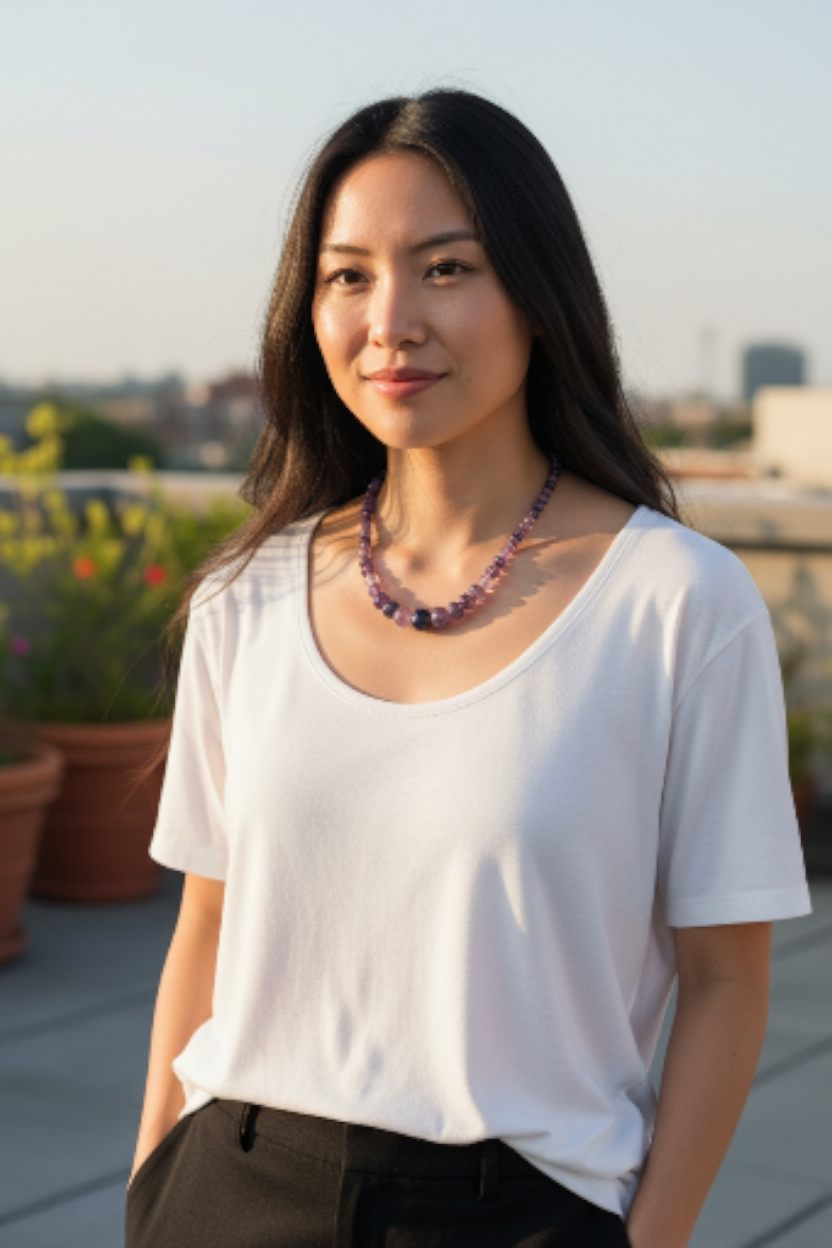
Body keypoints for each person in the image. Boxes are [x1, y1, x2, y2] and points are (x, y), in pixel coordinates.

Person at [126, 89, 811, 1248]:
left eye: (446, 268)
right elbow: (207, 922)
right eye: (347, 276)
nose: (389, 320)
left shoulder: (679, 606)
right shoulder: (245, 597)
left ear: (540, 296)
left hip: (521, 1210)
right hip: (229, 1191)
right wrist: (153, 1179)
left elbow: (727, 983)